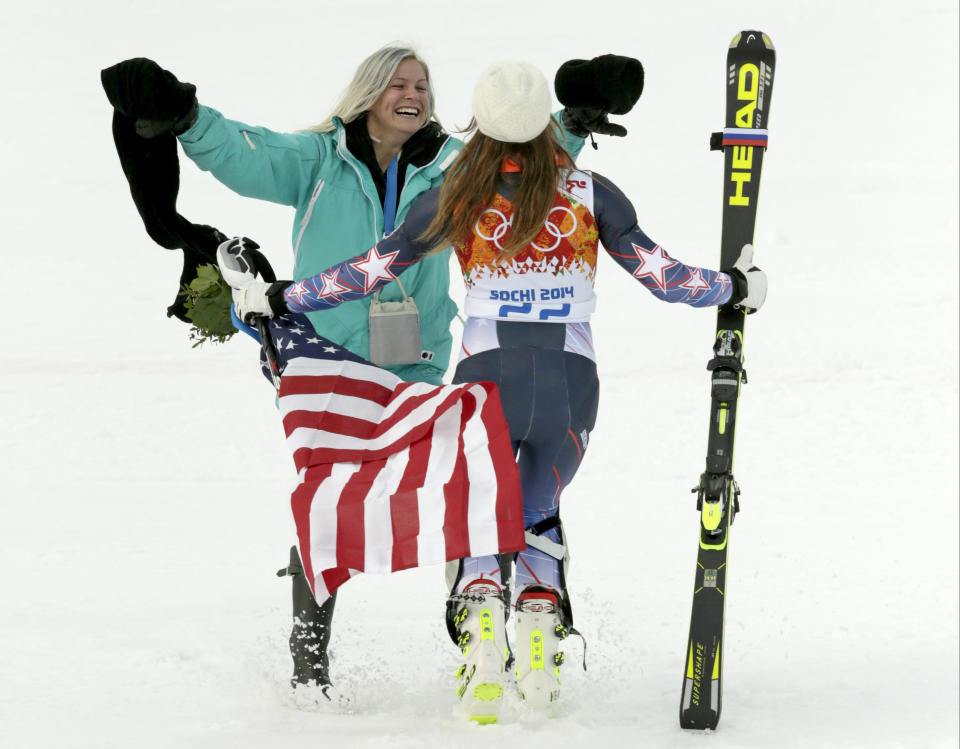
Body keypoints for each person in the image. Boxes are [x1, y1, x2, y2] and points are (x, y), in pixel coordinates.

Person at [224, 59, 767, 721]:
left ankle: (482, 627)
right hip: (570, 385)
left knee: (485, 503)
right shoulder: (592, 192)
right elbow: (664, 277)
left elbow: (369, 271)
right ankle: (539, 633)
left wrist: (285, 295)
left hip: (485, 387)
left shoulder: (457, 193)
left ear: (478, 122)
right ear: (545, 122)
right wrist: (738, 286)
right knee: (539, 505)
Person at [105, 46, 626, 701]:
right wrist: (185, 116)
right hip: (328, 364)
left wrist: (573, 119)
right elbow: (244, 154)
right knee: (331, 495)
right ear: (370, 92)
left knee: (464, 485)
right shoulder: (318, 157)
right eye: (399, 84)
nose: (413, 94)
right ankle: (309, 666)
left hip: (418, 362)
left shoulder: (450, 164)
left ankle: (484, 637)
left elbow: (520, 159)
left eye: (423, 84)